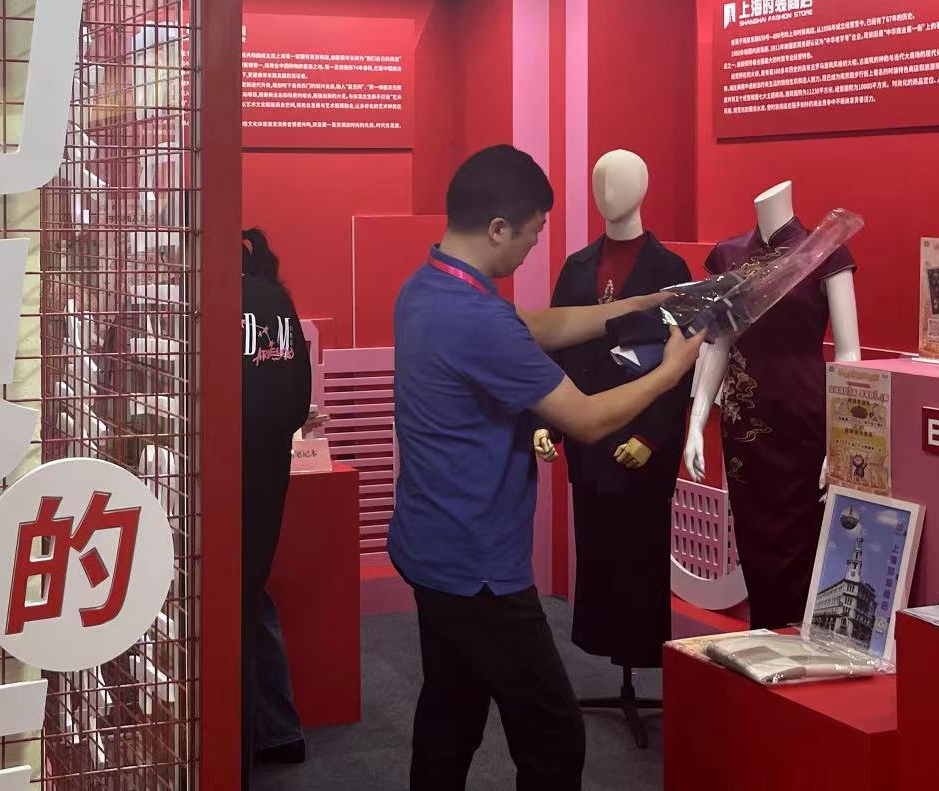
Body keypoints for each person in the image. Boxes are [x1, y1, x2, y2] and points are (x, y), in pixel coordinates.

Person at [387, 145, 702, 791]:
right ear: (498, 227)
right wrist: (670, 371)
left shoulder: (428, 287)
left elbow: (538, 324)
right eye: (532, 233)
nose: (535, 247)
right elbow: (584, 418)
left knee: (450, 711)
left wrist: (642, 303)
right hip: (478, 565)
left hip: (429, 543)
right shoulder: (475, 318)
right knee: (554, 735)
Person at [241, 228, 315, 784]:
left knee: (232, 604)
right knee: (251, 594)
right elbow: (297, 401)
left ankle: (241, 744)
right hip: (269, 473)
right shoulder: (276, 299)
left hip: (222, 480)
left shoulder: (213, 304)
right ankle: (277, 731)